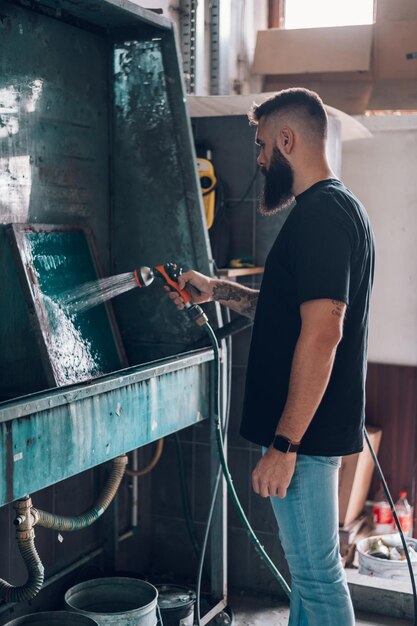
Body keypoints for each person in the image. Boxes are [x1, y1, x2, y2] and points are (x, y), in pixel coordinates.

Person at [167, 88, 375, 625]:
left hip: (303, 441)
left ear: (287, 140)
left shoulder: (323, 216)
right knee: (309, 575)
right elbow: (292, 312)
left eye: (261, 147)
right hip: (307, 438)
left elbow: (324, 333)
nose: (259, 160)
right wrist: (216, 290)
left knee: (318, 576)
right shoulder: (331, 209)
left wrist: (285, 444)